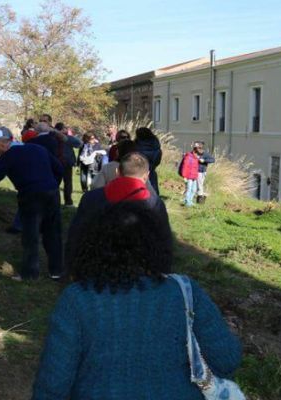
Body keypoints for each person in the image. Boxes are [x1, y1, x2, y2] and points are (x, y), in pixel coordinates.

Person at [32, 201, 242, 399]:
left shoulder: (77, 299)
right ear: (157, 246)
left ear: (92, 248)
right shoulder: (184, 292)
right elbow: (226, 360)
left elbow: (54, 383)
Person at [0, 137, 64, 281]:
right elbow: (59, 168)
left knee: (31, 235)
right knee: (53, 232)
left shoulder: (9, 155)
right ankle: (57, 271)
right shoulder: (38, 148)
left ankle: (30, 273)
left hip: (30, 195)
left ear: (4, 145)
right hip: (52, 193)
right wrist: (51, 184)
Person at [65, 152, 170, 268]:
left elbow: (77, 234)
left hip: (97, 264)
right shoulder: (155, 203)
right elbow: (164, 240)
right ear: (147, 176)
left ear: (117, 172)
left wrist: (71, 264)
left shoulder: (91, 198)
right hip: (141, 266)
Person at [54, 122, 81, 206]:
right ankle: (68, 201)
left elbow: (78, 143)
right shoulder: (66, 138)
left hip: (57, 162)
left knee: (57, 182)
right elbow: (79, 143)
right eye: (65, 128)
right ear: (62, 130)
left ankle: (58, 201)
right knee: (67, 182)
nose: (66, 130)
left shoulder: (53, 138)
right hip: (64, 162)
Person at [134, 127, 163, 194]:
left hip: (137, 173)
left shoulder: (135, 145)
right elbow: (157, 161)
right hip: (151, 172)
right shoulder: (156, 146)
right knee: (153, 193)